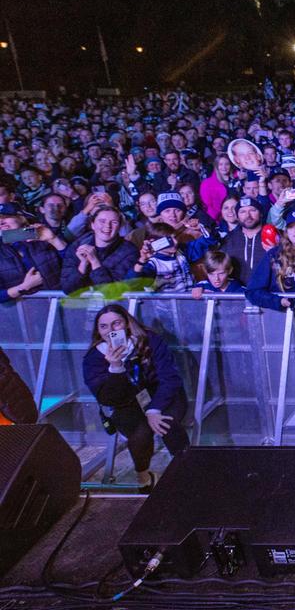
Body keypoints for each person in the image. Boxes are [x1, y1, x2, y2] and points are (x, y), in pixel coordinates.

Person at [82, 304, 189, 489]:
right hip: (125, 402)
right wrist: (115, 368)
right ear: (98, 330)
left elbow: (169, 377)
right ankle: (144, 479)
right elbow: (106, 398)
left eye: (116, 323)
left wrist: (154, 409)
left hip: (161, 394)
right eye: (104, 326)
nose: (110, 330)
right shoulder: (94, 357)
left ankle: (188, 471)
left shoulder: (149, 340)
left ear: (127, 324)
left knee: (167, 423)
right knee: (140, 432)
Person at [61, 205, 139, 294]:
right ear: (92, 225)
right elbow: (68, 289)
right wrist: (83, 265)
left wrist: (95, 262)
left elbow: (111, 292)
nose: (107, 226)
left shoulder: (129, 252)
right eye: (102, 221)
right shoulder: (77, 246)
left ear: (119, 227)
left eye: (114, 222)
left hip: (114, 306)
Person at [221, 196, 268, 285]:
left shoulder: (274, 236)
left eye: (252, 210)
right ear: (237, 216)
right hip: (236, 295)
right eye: (243, 212)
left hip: (267, 294)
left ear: (261, 213)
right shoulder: (227, 240)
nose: (248, 216)